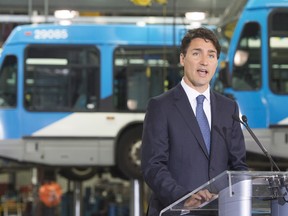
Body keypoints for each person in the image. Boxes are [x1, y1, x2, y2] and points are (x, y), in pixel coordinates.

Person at [141, 27, 248, 216]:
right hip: (176, 210)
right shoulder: (161, 106)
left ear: (217, 62)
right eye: (196, 53)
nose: (204, 62)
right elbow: (153, 166)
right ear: (182, 59)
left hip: (219, 211)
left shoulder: (229, 108)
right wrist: (184, 197)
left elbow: (238, 166)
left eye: (211, 55)